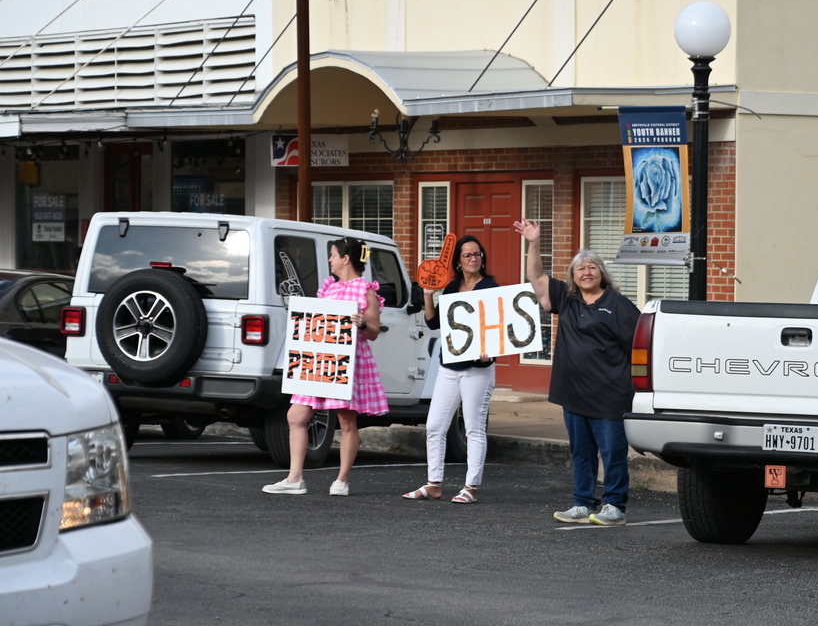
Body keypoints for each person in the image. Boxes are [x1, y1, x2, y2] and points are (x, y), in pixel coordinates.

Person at [513, 219, 640, 526]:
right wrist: (533, 242)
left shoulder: (619, 306)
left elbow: (637, 349)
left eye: (592, 267)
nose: (586, 272)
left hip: (610, 397)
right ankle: (582, 504)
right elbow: (537, 279)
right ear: (572, 275)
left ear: (602, 273)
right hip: (574, 395)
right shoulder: (567, 299)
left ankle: (614, 507)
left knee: (612, 454)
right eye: (580, 268)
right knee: (581, 454)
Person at [263, 237, 389, 496]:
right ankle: (295, 478)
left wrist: (361, 324)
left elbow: (374, 332)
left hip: (347, 361)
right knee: (295, 416)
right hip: (320, 361)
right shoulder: (329, 289)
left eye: (333, 255)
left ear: (346, 258)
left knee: (346, 421)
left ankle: (341, 480)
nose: (329, 260)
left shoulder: (365, 291)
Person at [402, 235, 498, 504]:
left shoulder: (490, 288)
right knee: (434, 426)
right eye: (468, 255)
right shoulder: (453, 287)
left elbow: (500, 327)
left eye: (477, 254)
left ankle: (471, 487)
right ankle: (434, 484)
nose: (473, 258)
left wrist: (490, 350)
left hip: (478, 368)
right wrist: (428, 294)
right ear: (458, 262)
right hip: (449, 365)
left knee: (474, 428)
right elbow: (433, 324)